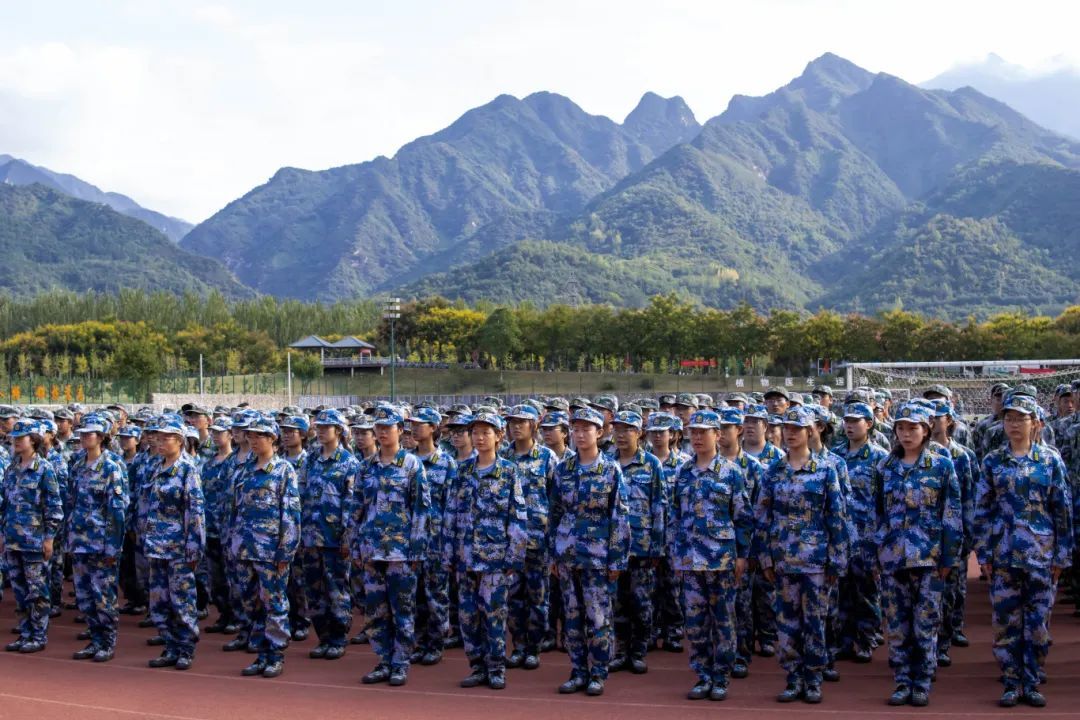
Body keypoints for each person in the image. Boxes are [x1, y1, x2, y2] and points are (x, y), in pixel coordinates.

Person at [976, 394, 1073, 708]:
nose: (1014, 424)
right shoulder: (992, 461)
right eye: (1009, 418)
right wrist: (984, 554)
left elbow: (1062, 510)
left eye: (1021, 418)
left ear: (1037, 424)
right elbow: (983, 510)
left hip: (1040, 557)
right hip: (1003, 555)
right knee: (1006, 624)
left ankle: (1031, 681)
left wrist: (1062, 555)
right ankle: (1010, 681)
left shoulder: (1050, 460)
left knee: (1038, 626)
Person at [755, 406, 848, 704]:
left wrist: (837, 558)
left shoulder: (825, 470)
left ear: (811, 431)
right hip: (783, 560)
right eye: (787, 428)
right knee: (787, 623)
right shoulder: (774, 471)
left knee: (815, 622)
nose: (791, 433)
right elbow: (763, 517)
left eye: (798, 428)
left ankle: (814, 677)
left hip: (816, 561)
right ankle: (793, 677)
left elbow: (837, 517)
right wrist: (766, 558)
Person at [875, 403, 962, 707]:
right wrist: (879, 552)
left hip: (929, 558)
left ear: (926, 430)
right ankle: (902, 681)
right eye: (901, 427)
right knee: (896, 625)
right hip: (893, 557)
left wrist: (949, 558)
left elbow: (951, 514)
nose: (906, 433)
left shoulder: (941, 465)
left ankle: (922, 682)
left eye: (913, 428)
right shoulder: (885, 467)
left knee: (925, 624)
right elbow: (878, 514)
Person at [670, 409, 753, 701]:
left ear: (717, 435)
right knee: (695, 621)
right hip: (690, 559)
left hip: (722, 560)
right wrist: (676, 554)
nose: (697, 437)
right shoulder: (683, 472)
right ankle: (703, 675)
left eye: (703, 432)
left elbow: (743, 518)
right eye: (693, 432)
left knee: (724, 620)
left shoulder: (732, 473)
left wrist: (742, 556)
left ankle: (721, 677)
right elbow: (675, 517)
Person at [549, 407, 630, 697]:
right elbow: (555, 513)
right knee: (571, 617)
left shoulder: (610, 470)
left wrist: (617, 558)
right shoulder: (563, 470)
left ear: (600, 432)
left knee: (598, 618)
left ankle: (598, 672)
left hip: (597, 557)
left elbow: (619, 516)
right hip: (568, 555)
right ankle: (578, 670)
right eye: (576, 429)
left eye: (587, 429)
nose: (580, 434)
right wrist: (553, 555)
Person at [445, 412, 528, 690]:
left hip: (495, 558)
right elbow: (451, 514)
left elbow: (517, 516)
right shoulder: (462, 471)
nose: (480, 438)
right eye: (476, 433)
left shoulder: (508, 471)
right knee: (468, 616)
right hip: (465, 557)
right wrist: (448, 554)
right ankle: (477, 666)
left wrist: (514, 557)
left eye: (486, 432)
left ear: (498, 436)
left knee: (494, 614)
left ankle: (496, 668)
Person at [349, 406, 430, 687]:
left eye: (388, 427)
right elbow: (356, 509)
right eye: (379, 428)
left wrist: (418, 550)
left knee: (403, 609)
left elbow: (421, 510)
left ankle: (400, 663)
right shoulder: (365, 467)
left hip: (401, 552)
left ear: (400, 430)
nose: (382, 432)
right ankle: (383, 660)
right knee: (375, 610)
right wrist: (355, 546)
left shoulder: (411, 465)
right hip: (372, 550)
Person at [234, 416, 301, 679]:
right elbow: (235, 509)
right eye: (249, 435)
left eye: (258, 435)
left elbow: (291, 514)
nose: (252, 439)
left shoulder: (283, 470)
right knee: (251, 604)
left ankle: (275, 655)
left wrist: (286, 551)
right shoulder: (244, 469)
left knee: (274, 604)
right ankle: (261, 652)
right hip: (245, 549)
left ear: (272, 438)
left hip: (271, 552)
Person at [142, 416, 206, 671]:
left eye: (164, 437)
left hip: (178, 548)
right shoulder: (156, 466)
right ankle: (169, 646)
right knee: (159, 600)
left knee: (182, 600)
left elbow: (196, 512)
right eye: (156, 437)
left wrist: (194, 548)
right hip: (156, 545)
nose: (158, 441)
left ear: (179, 441)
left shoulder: (188, 469)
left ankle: (185, 648)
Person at [501, 404, 558, 671]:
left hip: (538, 541)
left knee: (538, 599)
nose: (515, 427)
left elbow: (556, 501)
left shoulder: (547, 458)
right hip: (510, 542)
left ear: (534, 425)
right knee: (513, 599)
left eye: (521, 422)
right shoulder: (502, 458)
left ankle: (534, 647)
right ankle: (519, 646)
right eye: (512, 422)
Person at [608, 410, 665, 675]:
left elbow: (659, 506)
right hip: (613, 546)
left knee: (641, 602)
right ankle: (620, 651)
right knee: (617, 602)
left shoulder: (651, 464)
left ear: (639, 433)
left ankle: (639, 650)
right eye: (617, 429)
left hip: (642, 546)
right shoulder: (606, 462)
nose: (621, 435)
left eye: (627, 429)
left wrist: (657, 545)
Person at [68, 415, 128, 662]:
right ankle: (94, 640)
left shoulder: (111, 468)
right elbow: (71, 503)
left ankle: (107, 641)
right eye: (82, 433)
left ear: (101, 437)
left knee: (104, 596)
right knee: (84, 596)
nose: (84, 437)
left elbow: (117, 512)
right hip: (80, 542)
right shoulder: (78, 465)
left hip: (102, 544)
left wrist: (113, 547)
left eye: (89, 434)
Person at [299, 410, 358, 661]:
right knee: (313, 590)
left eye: (327, 427)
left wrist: (347, 536)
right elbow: (300, 495)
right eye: (319, 427)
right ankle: (323, 636)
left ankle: (338, 637)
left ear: (339, 431)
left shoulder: (349, 462)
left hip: (335, 539)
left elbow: (352, 502)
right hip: (311, 537)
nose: (321, 431)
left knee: (336, 590)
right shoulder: (311, 460)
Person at [1, 419, 63, 653]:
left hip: (34, 542)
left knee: (37, 591)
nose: (16, 442)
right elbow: (5, 505)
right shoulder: (12, 469)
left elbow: (54, 508)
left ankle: (38, 635)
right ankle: (25, 632)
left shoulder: (44, 469)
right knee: (19, 590)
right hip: (13, 540)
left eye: (21, 438)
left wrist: (49, 538)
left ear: (34, 441)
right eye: (14, 438)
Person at [834, 403, 887, 663]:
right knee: (842, 592)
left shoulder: (879, 457)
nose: (850, 425)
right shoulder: (835, 455)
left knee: (866, 592)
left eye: (857, 421)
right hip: (843, 535)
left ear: (869, 424)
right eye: (847, 421)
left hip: (867, 537)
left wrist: (880, 540)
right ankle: (845, 641)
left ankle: (866, 639)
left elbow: (884, 501)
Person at [409, 407, 457, 666]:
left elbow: (452, 506)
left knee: (436, 594)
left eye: (421, 424)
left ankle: (436, 642)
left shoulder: (446, 463)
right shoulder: (406, 461)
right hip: (411, 540)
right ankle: (419, 642)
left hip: (437, 540)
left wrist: (449, 544)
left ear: (434, 428)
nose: (416, 428)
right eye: (413, 424)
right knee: (414, 594)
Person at [200, 417, 238, 635]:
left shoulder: (234, 462)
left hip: (228, 529)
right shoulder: (209, 462)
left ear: (230, 435)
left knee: (231, 576)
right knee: (215, 577)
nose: (215, 435)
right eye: (213, 432)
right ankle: (224, 614)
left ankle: (235, 616)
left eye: (220, 432)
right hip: (210, 527)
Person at [279, 415, 311, 641]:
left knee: (299, 579)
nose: (287, 435)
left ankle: (302, 619)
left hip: (301, 528)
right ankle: (286, 620)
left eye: (292, 431)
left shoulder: (309, 462)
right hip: (277, 530)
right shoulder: (277, 462)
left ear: (303, 435)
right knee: (282, 580)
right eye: (284, 431)